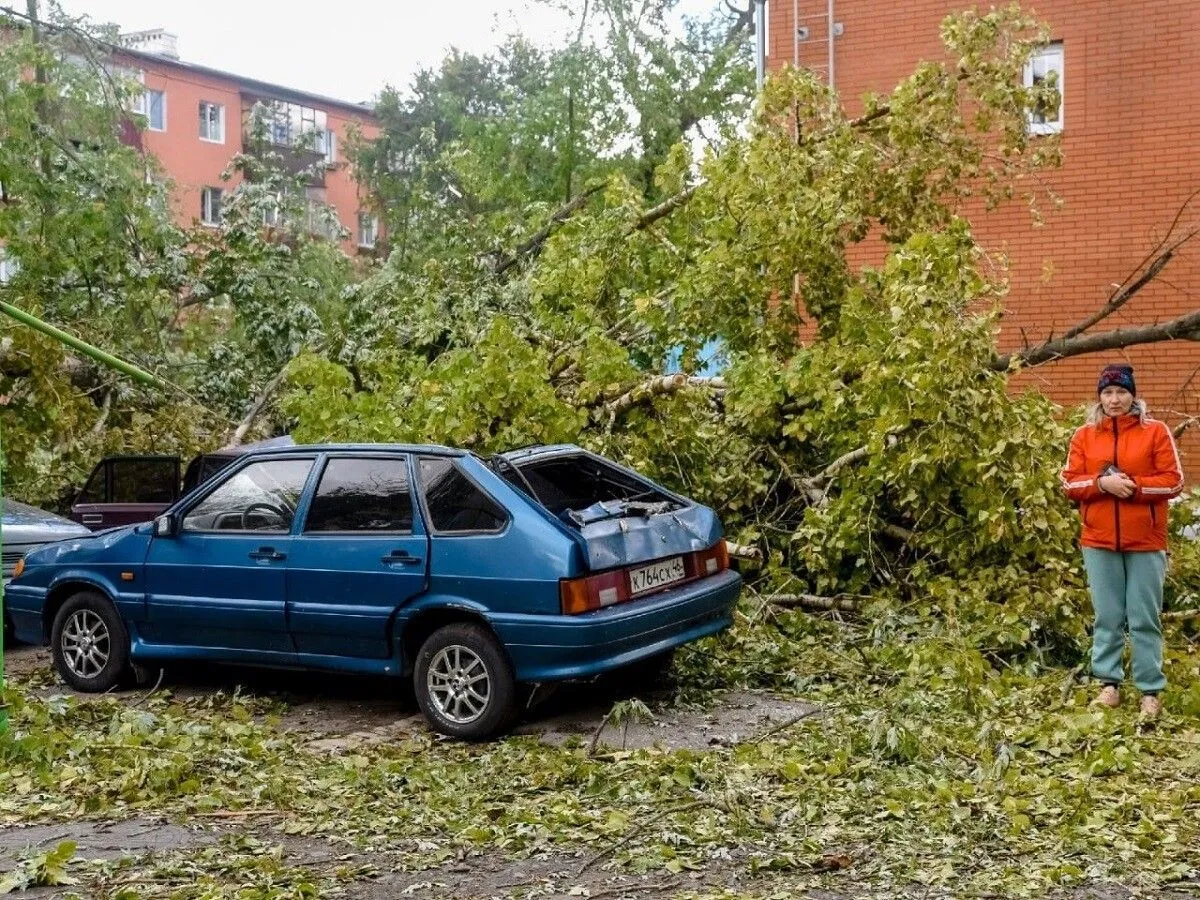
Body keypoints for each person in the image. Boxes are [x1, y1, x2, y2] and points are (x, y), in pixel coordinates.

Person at [1060, 364, 1184, 718]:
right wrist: (1102, 484)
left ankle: (1149, 691)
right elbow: (1069, 483)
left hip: (1146, 540)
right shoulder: (1084, 435)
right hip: (1098, 540)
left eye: (1121, 392)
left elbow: (1173, 481)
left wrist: (1133, 488)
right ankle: (1108, 685)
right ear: (1099, 397)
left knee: (1144, 617)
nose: (1114, 400)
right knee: (1108, 615)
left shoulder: (1155, 432)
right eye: (1108, 393)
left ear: (1133, 395)